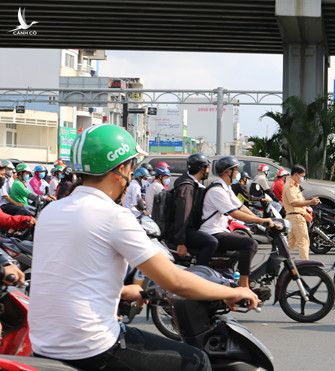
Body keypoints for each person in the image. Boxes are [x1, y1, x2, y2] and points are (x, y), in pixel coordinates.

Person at [28, 124, 258, 371]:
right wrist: (232, 292)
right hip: (92, 346)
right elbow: (175, 281)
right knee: (197, 361)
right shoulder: (113, 215)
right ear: (121, 170)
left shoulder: (51, 211)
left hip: (44, 345)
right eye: (131, 166)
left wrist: (125, 291)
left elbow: (70, 277)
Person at [199, 156, 272, 287]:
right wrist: (260, 220)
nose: (238, 173)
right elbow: (234, 213)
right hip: (212, 232)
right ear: (228, 171)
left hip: (220, 229)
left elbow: (240, 206)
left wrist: (261, 220)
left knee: (244, 239)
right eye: (236, 170)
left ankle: (230, 273)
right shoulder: (217, 190)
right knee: (250, 243)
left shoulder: (226, 188)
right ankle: (244, 285)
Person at [165, 153, 213, 259]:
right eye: (207, 168)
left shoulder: (191, 183)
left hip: (186, 228)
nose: (208, 171)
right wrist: (180, 242)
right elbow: (182, 215)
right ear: (202, 169)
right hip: (182, 231)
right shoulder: (187, 187)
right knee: (211, 242)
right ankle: (201, 272)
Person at [282, 165, 320, 260]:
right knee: (304, 242)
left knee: (291, 243)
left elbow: (299, 202)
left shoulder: (294, 185)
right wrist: (311, 202)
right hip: (296, 218)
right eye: (302, 176)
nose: (302, 178)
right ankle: (305, 265)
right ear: (295, 175)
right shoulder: (290, 186)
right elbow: (294, 203)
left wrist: (306, 208)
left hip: (294, 217)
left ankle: (278, 259)